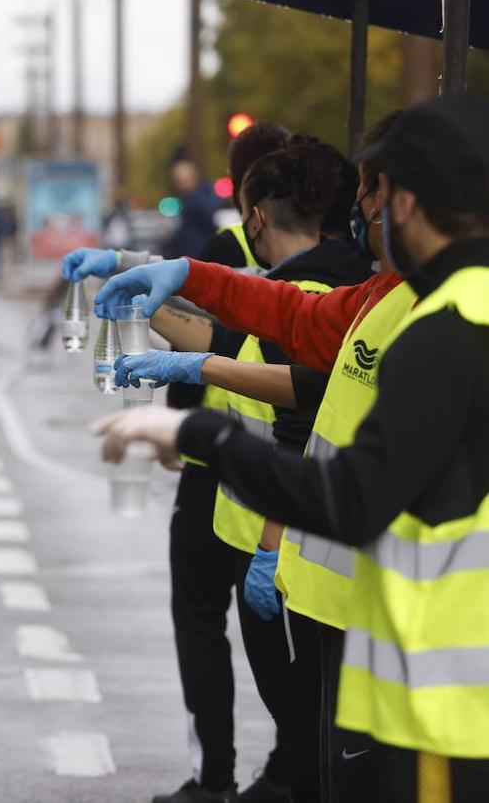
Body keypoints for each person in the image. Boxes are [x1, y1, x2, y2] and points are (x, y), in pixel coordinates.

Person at [95, 93, 489, 803]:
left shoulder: (449, 326)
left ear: (404, 202)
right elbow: (298, 316)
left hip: (446, 688)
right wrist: (190, 275)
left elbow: (354, 497)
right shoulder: (410, 296)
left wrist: (199, 431)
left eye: (378, 195)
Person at [110, 138, 373, 802]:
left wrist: (268, 541)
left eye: (380, 190)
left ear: (256, 215)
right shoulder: (346, 287)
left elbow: (300, 415)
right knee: (313, 737)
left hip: (297, 541)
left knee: (320, 740)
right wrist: (149, 288)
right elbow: (246, 331)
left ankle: (249, 778)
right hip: (282, 534)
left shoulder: (348, 290)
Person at [63, 122, 297, 803]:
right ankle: (288, 765)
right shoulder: (322, 265)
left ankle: (223, 775)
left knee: (208, 618)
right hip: (272, 468)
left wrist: (180, 397)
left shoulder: (236, 249)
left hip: (229, 462)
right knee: (273, 632)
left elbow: (205, 323)